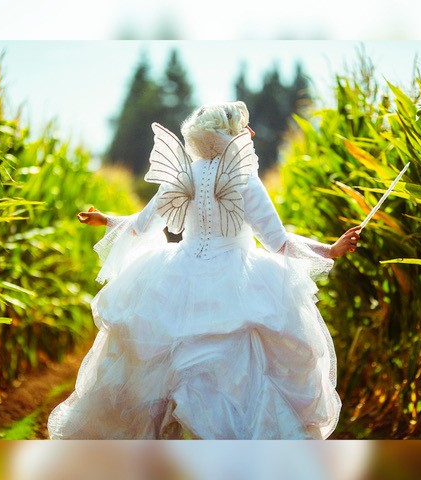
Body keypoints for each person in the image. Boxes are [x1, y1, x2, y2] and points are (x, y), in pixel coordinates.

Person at [47, 101, 360, 440]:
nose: (251, 133)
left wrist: (106, 219)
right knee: (237, 379)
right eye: (245, 127)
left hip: (177, 277)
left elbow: (142, 224)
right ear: (232, 134)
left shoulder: (184, 175)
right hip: (236, 283)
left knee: (162, 373)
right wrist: (328, 250)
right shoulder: (244, 181)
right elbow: (278, 243)